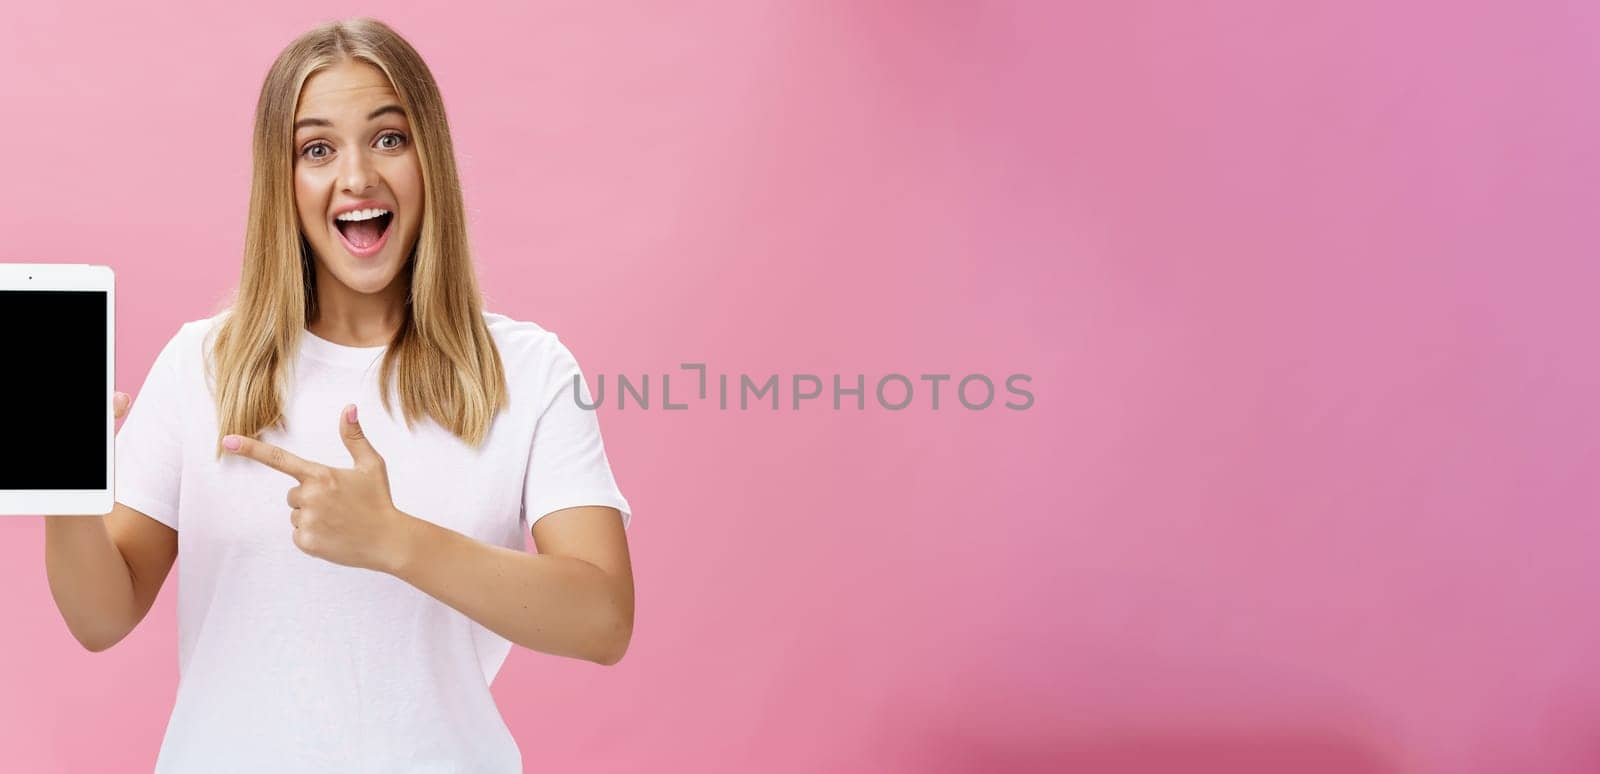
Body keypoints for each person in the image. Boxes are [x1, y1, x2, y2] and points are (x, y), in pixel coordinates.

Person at [42, 17, 635, 773]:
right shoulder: (203, 364)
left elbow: (603, 619)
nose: (356, 177)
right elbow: (101, 615)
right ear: (283, 182)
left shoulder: (528, 370)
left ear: (431, 160)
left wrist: (393, 540)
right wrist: (65, 488)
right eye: (317, 149)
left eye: (388, 138)